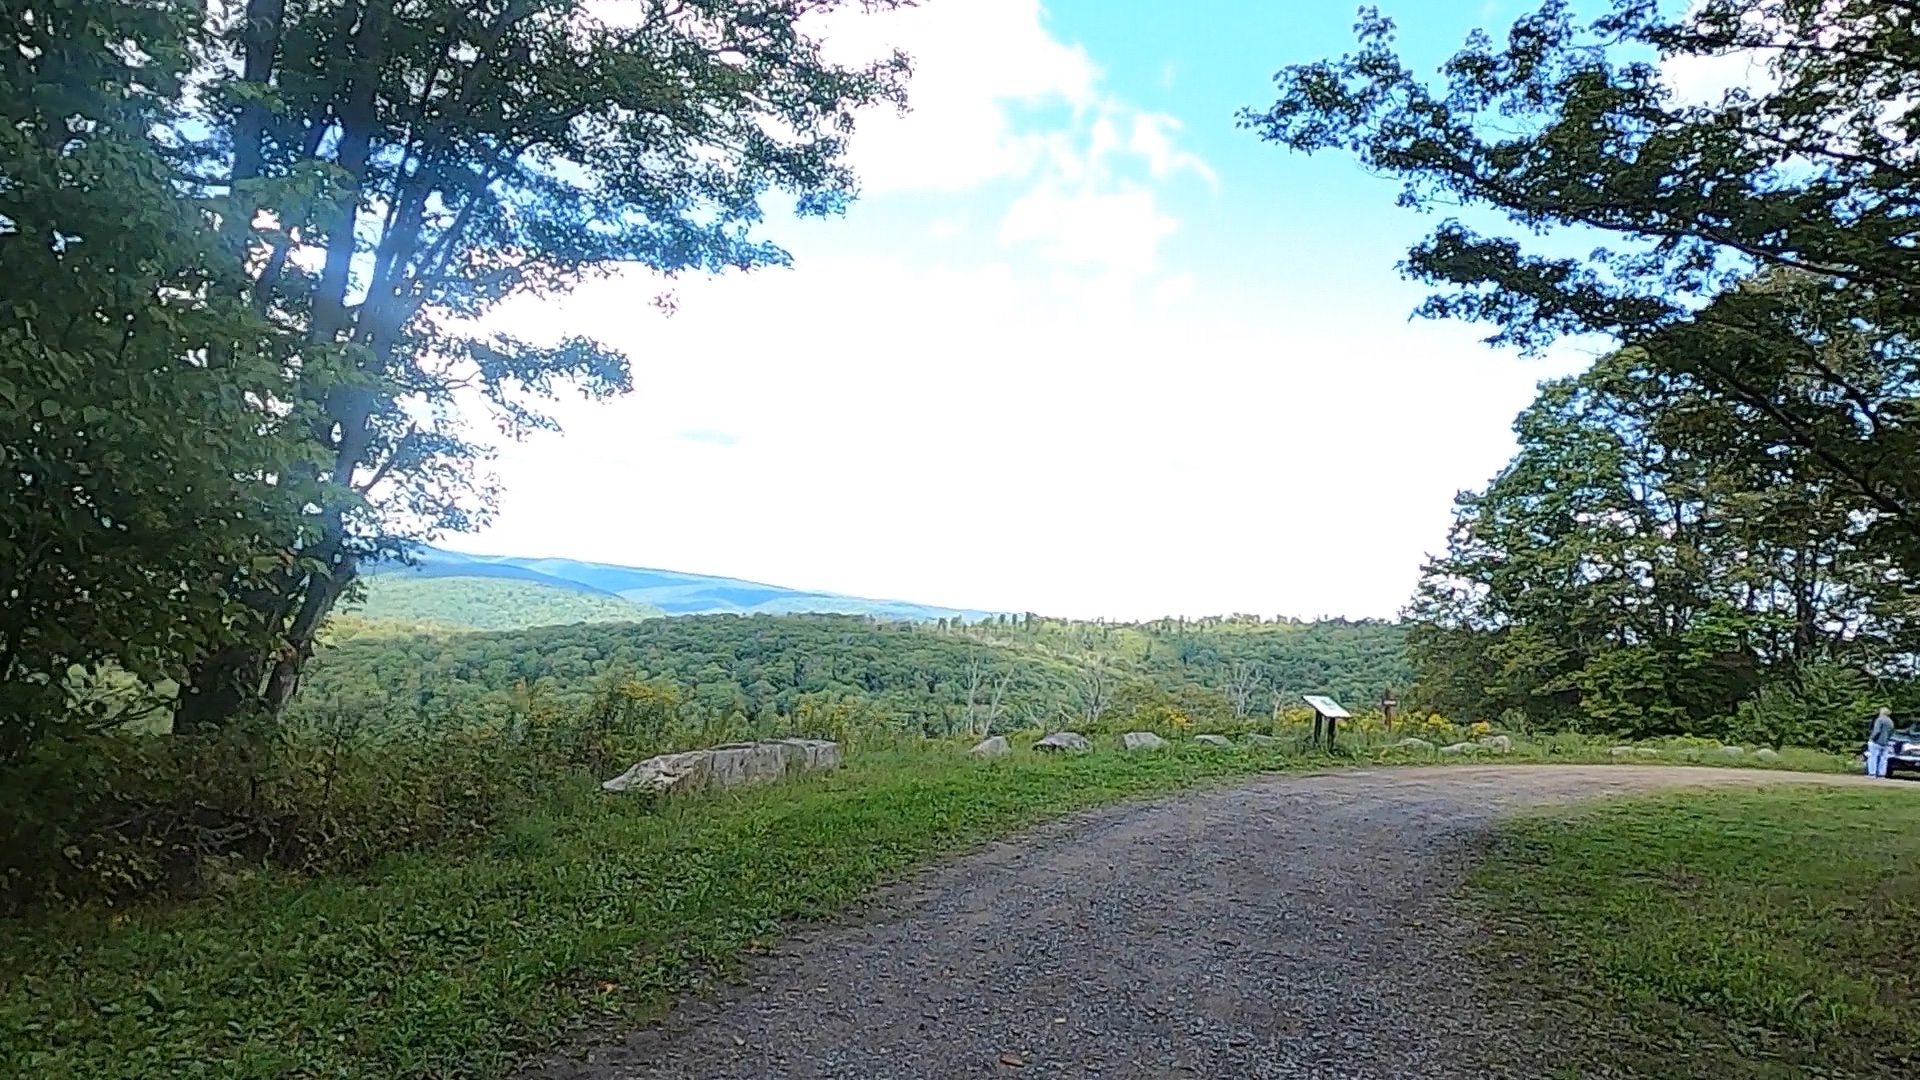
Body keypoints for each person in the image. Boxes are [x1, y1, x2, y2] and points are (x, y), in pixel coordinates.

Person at [1866, 707, 1896, 779]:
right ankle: (1881, 774)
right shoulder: (1890, 721)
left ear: (1881, 713)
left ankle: (1872, 774)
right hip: (1886, 743)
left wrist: (1871, 738)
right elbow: (1892, 732)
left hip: (1876, 742)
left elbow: (1877, 731)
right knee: (1883, 759)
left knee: (1873, 757)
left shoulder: (1879, 720)